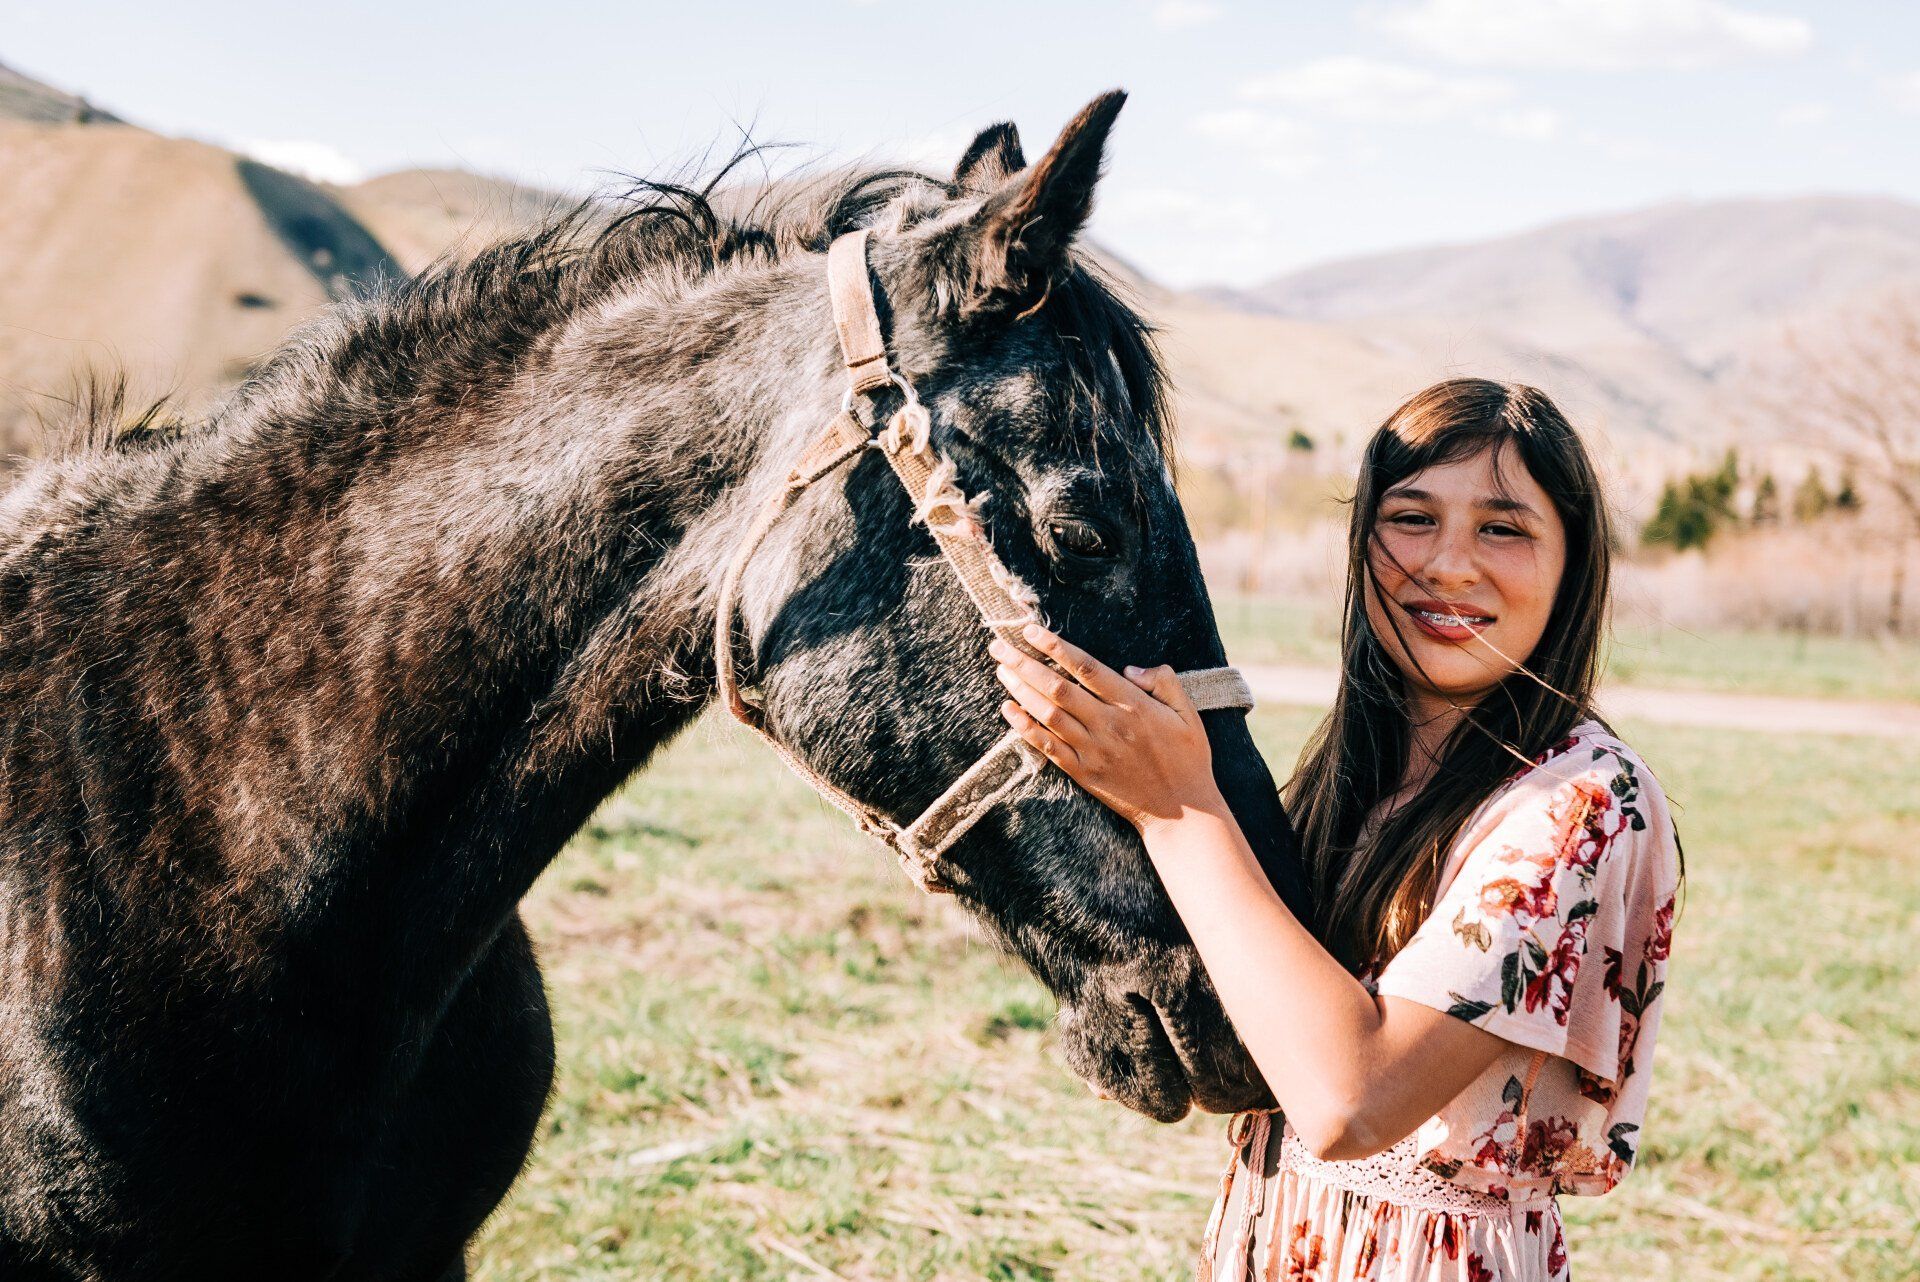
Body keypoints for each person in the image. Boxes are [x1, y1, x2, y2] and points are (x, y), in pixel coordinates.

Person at [990, 378, 1681, 1281]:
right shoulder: (1357, 772)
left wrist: (1174, 806)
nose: (1449, 565)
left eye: (1503, 528)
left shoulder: (1585, 801)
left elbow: (1351, 1101)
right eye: (1412, 518)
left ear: (1574, 563)